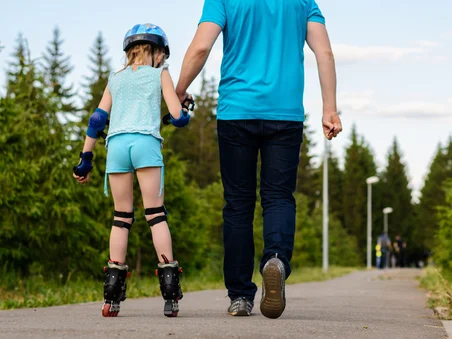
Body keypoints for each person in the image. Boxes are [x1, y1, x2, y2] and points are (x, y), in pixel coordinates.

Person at [175, 0, 341, 319]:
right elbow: (325, 54)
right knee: (278, 197)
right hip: (285, 114)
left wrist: (180, 90)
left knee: (238, 203)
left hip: (236, 111)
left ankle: (240, 296)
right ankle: (275, 259)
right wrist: (329, 108)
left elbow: (200, 48)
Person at [72, 23, 192, 318]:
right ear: (157, 52)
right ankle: (170, 295)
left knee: (121, 217)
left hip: (116, 146)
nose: (163, 60)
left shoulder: (116, 77)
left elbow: (98, 119)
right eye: (163, 54)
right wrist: (183, 110)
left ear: (131, 51)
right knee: (156, 215)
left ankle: (111, 298)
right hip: (146, 144)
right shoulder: (160, 74)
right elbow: (178, 116)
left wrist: (85, 159)